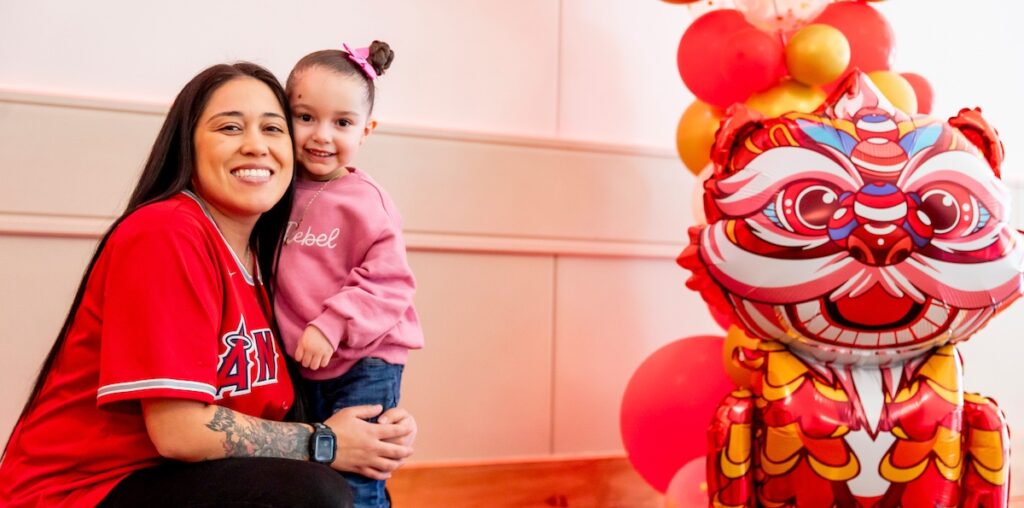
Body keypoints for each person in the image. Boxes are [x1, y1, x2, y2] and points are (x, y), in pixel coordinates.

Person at [0, 61, 415, 507]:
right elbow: (179, 431)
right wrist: (327, 442)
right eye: (230, 127)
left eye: (273, 128)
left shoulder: (265, 265)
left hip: (173, 478)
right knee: (313, 492)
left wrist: (376, 430)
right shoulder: (166, 233)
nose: (256, 146)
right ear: (189, 144)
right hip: (79, 493)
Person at [274, 41, 424, 508]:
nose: (322, 135)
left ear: (365, 130)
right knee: (313, 471)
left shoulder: (365, 201)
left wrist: (331, 323)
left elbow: (390, 282)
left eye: (341, 123)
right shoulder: (275, 189)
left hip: (367, 358)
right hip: (304, 360)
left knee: (358, 479)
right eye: (305, 117)